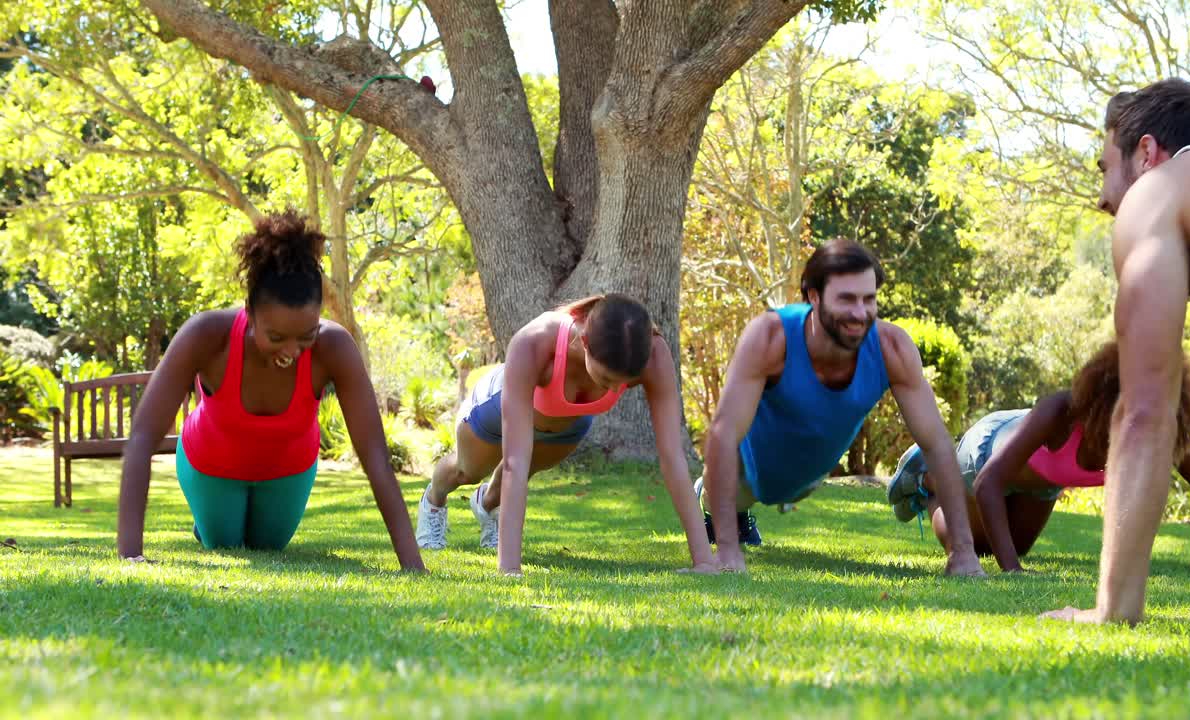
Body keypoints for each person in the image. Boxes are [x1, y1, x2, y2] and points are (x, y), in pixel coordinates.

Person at [1046, 77, 1190, 623]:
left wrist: (1111, 610)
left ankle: (1115, 607)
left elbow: (1145, 412)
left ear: (1145, 154)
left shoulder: (1156, 193)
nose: (1102, 198)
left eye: (1105, 169)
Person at [117, 210, 425, 572]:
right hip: (212, 463)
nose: (292, 351)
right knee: (226, 542)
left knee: (267, 546)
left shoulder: (335, 347)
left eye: (306, 336)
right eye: (276, 337)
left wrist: (412, 566)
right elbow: (143, 436)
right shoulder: (206, 335)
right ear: (249, 311)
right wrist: (131, 554)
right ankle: (208, 520)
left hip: (287, 469)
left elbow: (374, 455)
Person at [698, 238, 985, 576]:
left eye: (869, 299)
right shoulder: (770, 337)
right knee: (727, 491)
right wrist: (728, 551)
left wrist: (963, 553)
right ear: (814, 296)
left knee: (796, 484)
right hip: (749, 470)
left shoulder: (892, 348)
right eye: (846, 299)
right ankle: (718, 506)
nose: (860, 313)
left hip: (810, 474)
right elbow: (723, 434)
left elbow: (937, 444)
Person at [417, 293, 718, 576]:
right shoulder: (535, 341)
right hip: (494, 408)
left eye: (624, 384)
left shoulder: (652, 353)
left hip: (565, 426)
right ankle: (434, 500)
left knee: (508, 485)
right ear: (585, 342)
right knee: (467, 471)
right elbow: (514, 462)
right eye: (606, 379)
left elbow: (672, 456)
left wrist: (704, 561)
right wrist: (510, 568)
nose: (615, 390)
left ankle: (486, 504)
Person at [889, 341, 1190, 572]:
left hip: (1043, 479)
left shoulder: (1158, 432)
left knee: (1013, 546)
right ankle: (929, 479)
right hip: (988, 456)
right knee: (975, 546)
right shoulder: (1061, 412)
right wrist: (1013, 571)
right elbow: (988, 482)